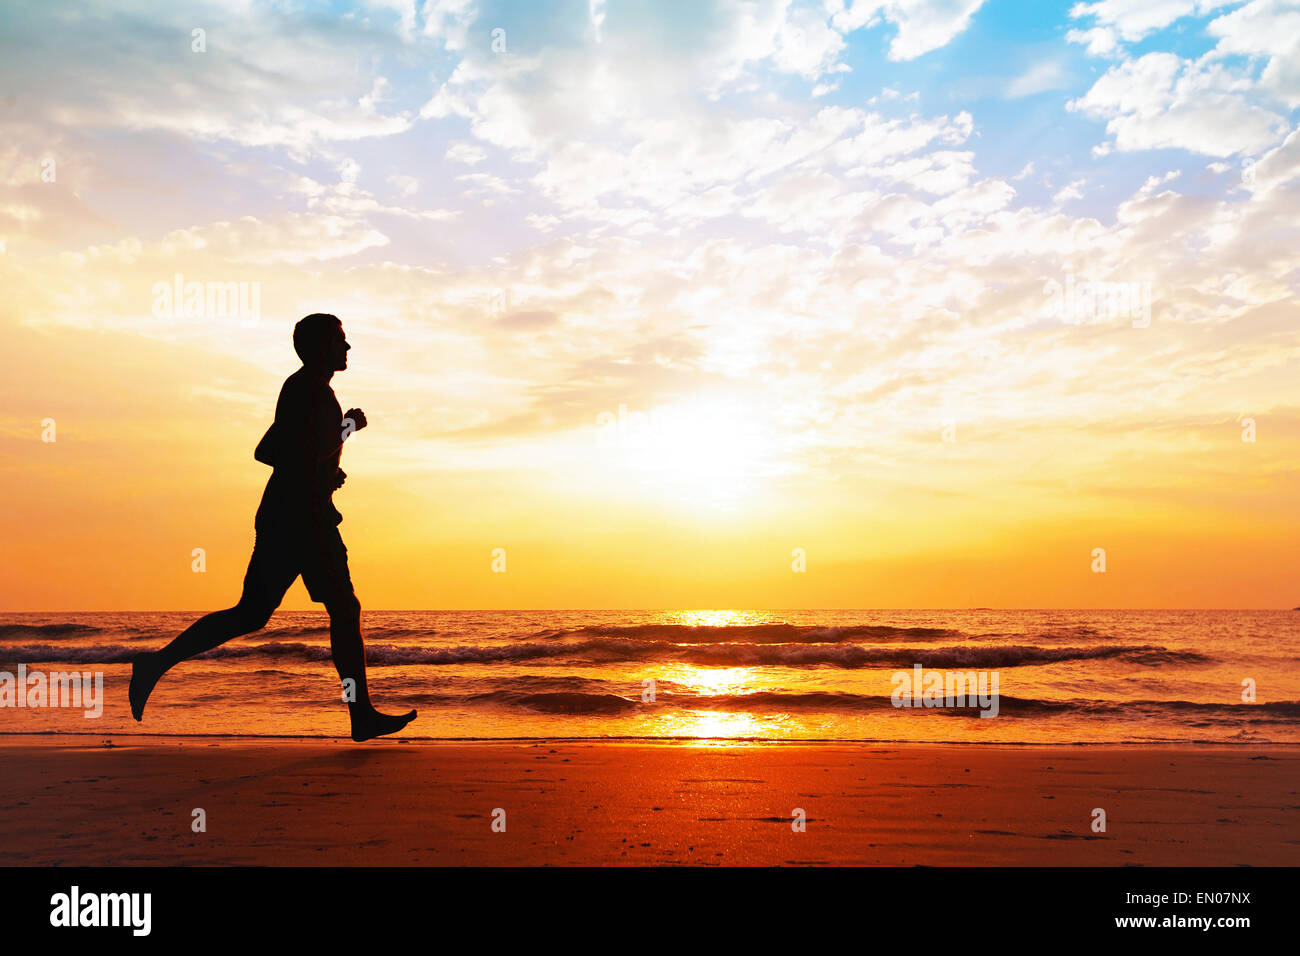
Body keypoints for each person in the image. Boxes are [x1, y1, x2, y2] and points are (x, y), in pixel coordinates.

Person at [129, 313, 417, 741]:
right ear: (319, 347)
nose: (348, 348)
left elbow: (274, 450)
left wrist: (323, 472)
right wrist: (345, 430)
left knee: (256, 613)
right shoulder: (305, 391)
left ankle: (156, 663)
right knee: (339, 608)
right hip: (300, 520)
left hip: (296, 514)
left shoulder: (310, 391)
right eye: (341, 340)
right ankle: (360, 715)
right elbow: (283, 452)